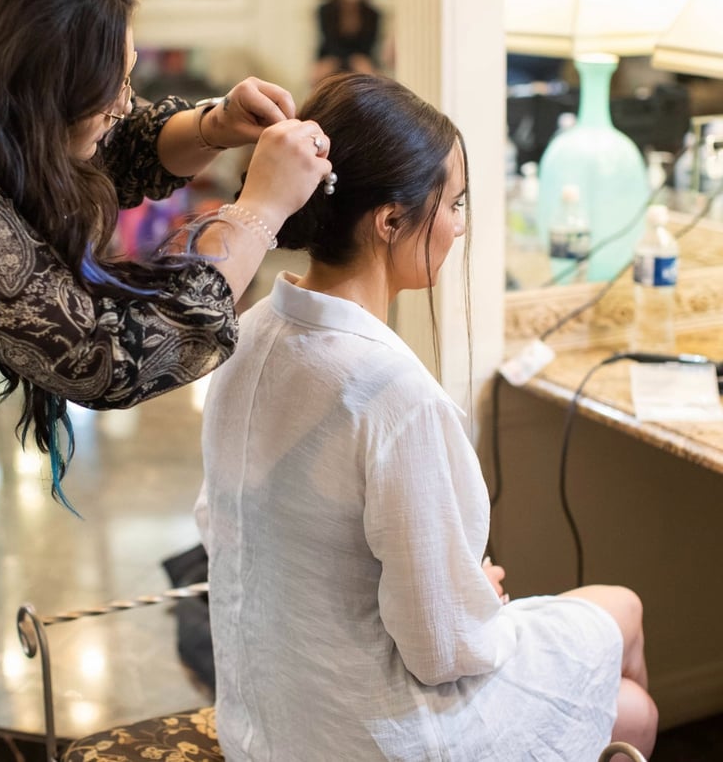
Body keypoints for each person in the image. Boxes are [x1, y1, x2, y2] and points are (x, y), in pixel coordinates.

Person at [195, 72, 658, 760]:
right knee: (631, 673)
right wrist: (474, 597)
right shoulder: (388, 392)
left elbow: (227, 530)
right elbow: (444, 649)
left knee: (615, 626)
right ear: (389, 220)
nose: (460, 224)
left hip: (265, 718)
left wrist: (458, 591)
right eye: (455, 202)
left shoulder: (248, 332)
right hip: (367, 736)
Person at [0, 0, 331, 505]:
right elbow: (108, 356)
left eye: (129, 76)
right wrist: (261, 210)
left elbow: (110, 148)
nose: (127, 103)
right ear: (44, 93)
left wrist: (217, 123)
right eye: (114, 85)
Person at [311, 0, 381, 87]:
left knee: (367, 69)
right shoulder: (326, 11)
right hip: (332, 60)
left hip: (360, 62)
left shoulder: (372, 14)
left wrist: (359, 63)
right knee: (319, 71)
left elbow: (368, 48)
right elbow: (330, 46)